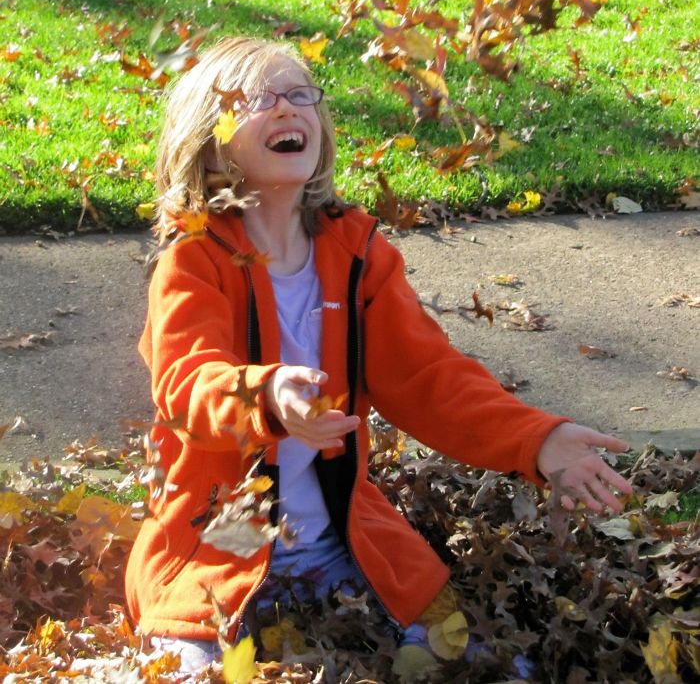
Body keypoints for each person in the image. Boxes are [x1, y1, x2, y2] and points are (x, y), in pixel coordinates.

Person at [125, 36, 633, 674]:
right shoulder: (192, 263)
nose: (287, 109)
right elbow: (185, 381)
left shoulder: (357, 251)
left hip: (346, 544)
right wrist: (267, 395)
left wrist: (537, 439)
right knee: (190, 671)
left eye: (301, 94)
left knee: (484, 664)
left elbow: (428, 378)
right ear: (211, 137)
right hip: (212, 546)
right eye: (258, 99)